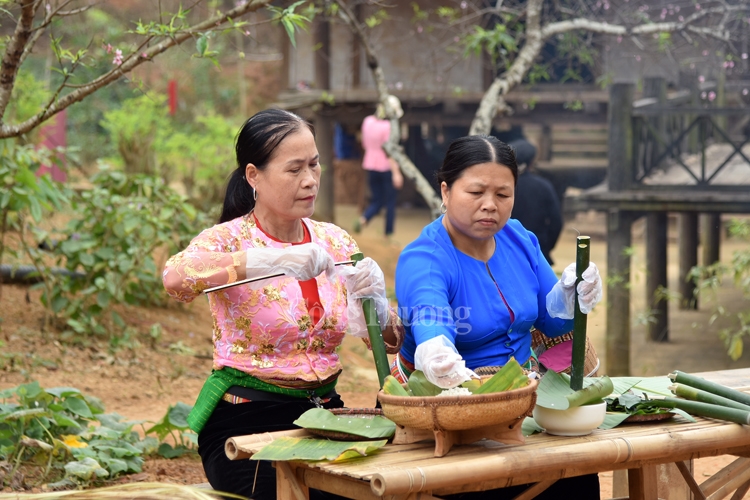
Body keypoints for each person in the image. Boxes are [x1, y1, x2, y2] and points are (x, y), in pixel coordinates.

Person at [162, 109, 404, 500]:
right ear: (253, 175)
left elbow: (390, 342)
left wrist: (376, 301)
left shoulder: (336, 242)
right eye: (294, 170)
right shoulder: (228, 239)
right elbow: (175, 279)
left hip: (325, 416)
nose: (309, 181)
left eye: (314, 164)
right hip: (245, 420)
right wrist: (268, 260)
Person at [392, 134, 603, 500]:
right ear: (445, 191)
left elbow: (551, 323)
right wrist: (435, 349)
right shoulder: (425, 259)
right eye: (476, 193)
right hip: (461, 416)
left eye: (503, 195)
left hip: (529, 406)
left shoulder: (518, 238)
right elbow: (430, 317)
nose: (491, 205)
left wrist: (570, 298)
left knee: (579, 475)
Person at [354, 98, 404, 237]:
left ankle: (364, 219)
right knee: (390, 202)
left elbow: (364, 143)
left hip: (370, 164)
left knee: (377, 199)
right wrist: (397, 173)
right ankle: (388, 233)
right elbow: (390, 151)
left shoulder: (367, 121)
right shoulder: (389, 127)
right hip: (386, 167)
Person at [509, 138, 563, 265]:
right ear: (532, 162)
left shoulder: (502, 186)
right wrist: (545, 247)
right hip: (537, 250)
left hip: (507, 251)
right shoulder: (544, 186)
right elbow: (557, 222)